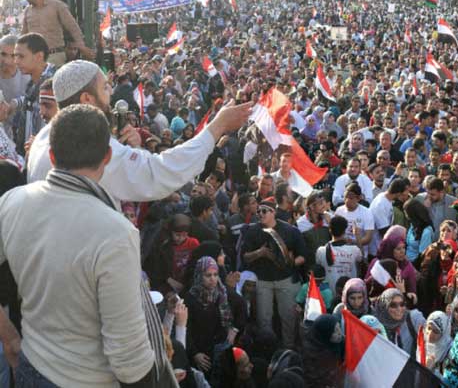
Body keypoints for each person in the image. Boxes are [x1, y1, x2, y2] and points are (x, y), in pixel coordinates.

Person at [0, 104, 173, 386]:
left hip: (31, 367)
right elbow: (129, 359)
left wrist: (9, 335)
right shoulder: (116, 233)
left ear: (52, 155)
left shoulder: (13, 201)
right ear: (107, 157)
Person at [26, 59, 252, 202]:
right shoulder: (90, 148)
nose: (111, 92)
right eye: (105, 87)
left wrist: (130, 148)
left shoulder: (45, 136)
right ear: (87, 99)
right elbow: (157, 174)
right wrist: (217, 126)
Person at [240, 201, 307, 348]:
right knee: (263, 318)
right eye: (259, 211)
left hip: (286, 280)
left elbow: (302, 256)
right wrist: (260, 253)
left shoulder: (290, 231)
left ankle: (288, 348)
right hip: (262, 280)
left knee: (288, 318)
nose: (261, 214)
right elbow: (244, 256)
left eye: (265, 211)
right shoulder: (251, 231)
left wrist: (289, 263)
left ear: (274, 212)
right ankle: (267, 348)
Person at [20, 0, 92, 63]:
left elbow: (72, 27)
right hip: (35, 58)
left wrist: (81, 46)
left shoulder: (56, 5)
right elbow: (23, 35)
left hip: (55, 55)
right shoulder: (27, 11)